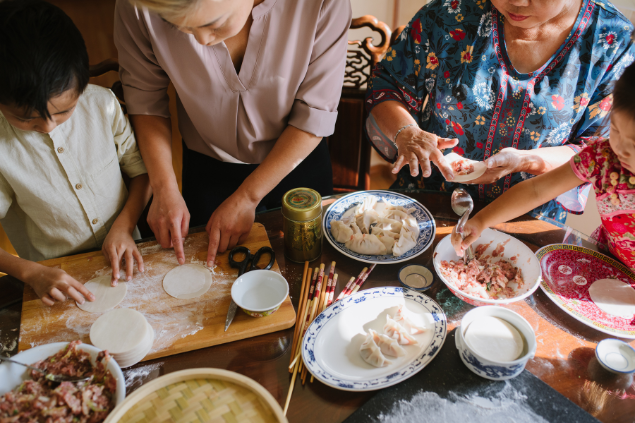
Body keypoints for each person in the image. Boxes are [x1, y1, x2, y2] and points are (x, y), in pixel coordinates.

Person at [114, 0, 350, 268]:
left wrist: (248, 196)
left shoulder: (324, 4)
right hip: (208, 168)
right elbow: (146, 101)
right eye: (179, 27)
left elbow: (314, 114)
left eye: (212, 24)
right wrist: (163, 186)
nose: (200, 42)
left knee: (308, 269)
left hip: (296, 161)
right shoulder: (138, 5)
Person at [366, 0, 634, 225]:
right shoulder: (450, 13)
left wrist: (524, 161)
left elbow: (597, 150)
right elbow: (387, 84)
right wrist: (407, 132)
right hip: (427, 205)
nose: (516, 2)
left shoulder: (612, 40)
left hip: (529, 221)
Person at [0, 0, 152, 306]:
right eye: (25, 119)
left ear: (81, 85)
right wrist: (30, 273)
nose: (47, 126)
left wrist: (123, 227)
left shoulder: (103, 104)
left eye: (64, 111)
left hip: (129, 254)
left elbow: (141, 173)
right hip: (53, 277)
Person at [452, 61, 635, 270]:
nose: (621, 148)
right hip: (609, 262)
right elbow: (536, 190)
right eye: (616, 130)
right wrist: (480, 221)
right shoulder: (602, 157)